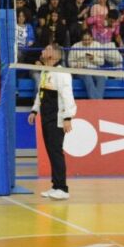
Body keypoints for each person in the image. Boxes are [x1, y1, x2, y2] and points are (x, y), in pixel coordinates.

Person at [27, 44, 76, 201]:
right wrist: (35, 110)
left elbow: (67, 96)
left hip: (57, 118)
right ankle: (56, 186)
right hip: (46, 117)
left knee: (56, 153)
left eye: (46, 49)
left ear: (54, 54)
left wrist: (68, 118)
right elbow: (40, 93)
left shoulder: (61, 73)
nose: (43, 51)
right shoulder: (45, 71)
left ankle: (62, 188)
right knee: (51, 153)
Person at [68, 31, 106, 99]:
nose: (87, 42)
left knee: (102, 77)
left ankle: (97, 99)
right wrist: (75, 65)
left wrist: (93, 58)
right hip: (81, 69)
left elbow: (102, 62)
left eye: (89, 39)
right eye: (85, 40)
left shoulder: (98, 45)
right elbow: (70, 61)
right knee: (87, 76)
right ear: (81, 39)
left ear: (92, 38)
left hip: (95, 68)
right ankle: (97, 100)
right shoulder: (75, 46)